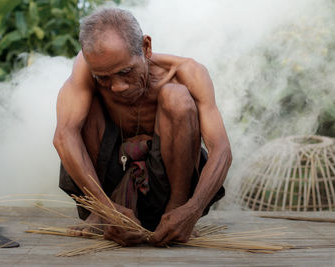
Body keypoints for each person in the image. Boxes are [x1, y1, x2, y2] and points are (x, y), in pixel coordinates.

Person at [53, 7, 232, 247]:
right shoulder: (89, 66)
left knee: (176, 97)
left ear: (146, 47)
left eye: (125, 72)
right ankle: (100, 214)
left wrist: (192, 209)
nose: (117, 87)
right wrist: (106, 209)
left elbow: (221, 149)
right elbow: (64, 136)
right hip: (107, 187)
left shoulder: (188, 72)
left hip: (166, 187)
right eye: (104, 78)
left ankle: (174, 212)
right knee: (81, 111)